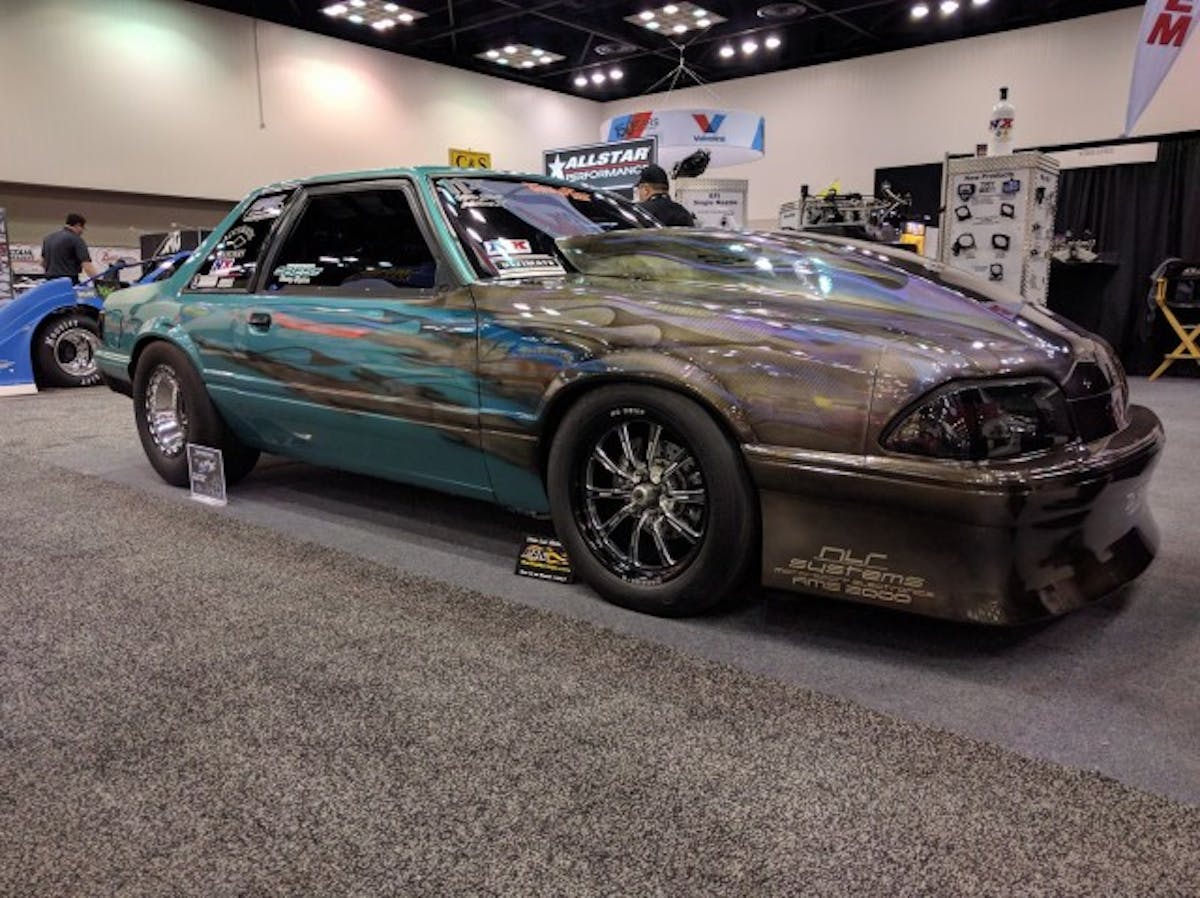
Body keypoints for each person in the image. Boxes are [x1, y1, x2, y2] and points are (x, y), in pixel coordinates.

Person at [40, 213, 100, 284]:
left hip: (50, 282)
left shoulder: (48, 238)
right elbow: (87, 266)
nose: (82, 232)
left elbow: (43, 263)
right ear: (78, 225)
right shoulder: (76, 240)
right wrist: (99, 282)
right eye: (82, 228)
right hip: (68, 282)